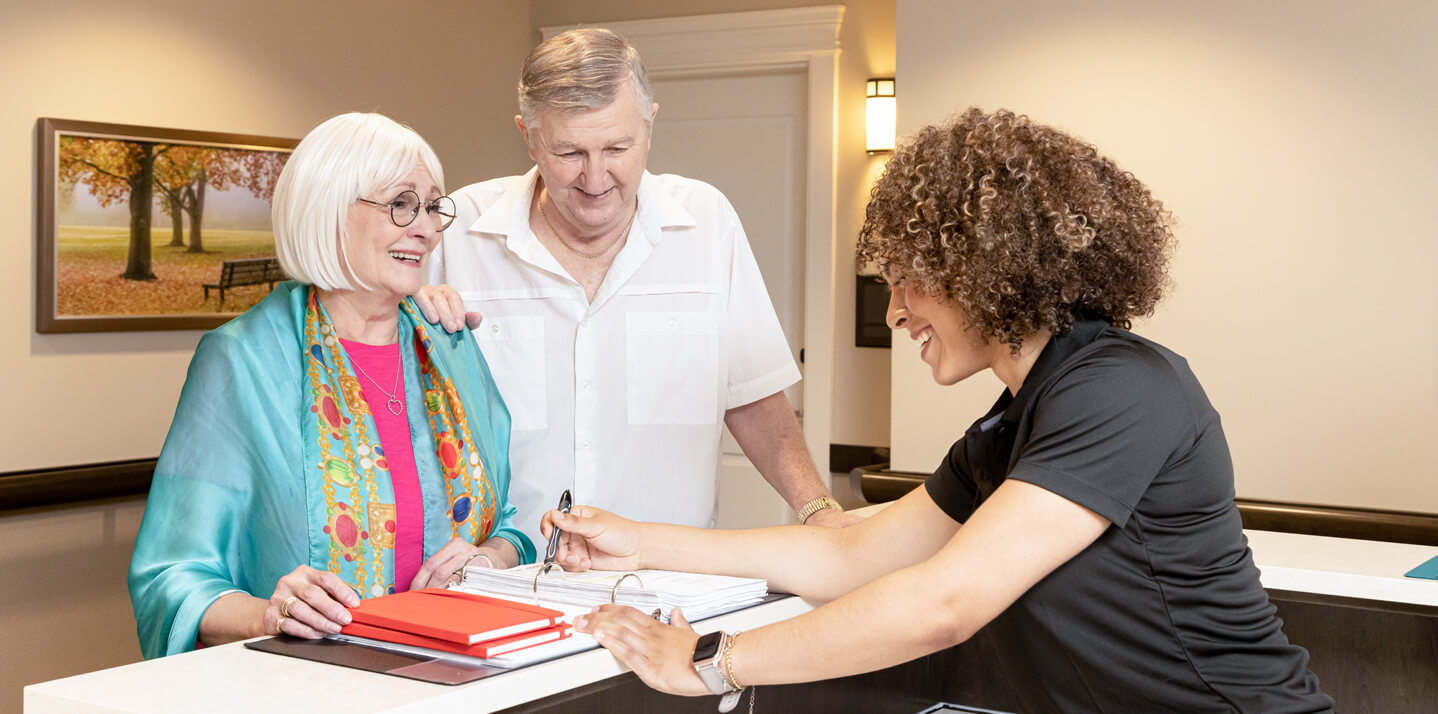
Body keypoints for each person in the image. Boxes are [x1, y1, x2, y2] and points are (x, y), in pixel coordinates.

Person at [542, 109, 1336, 713]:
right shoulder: (1010, 425)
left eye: (904, 279)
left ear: (980, 268)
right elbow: (849, 557)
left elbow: (943, 605)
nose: (892, 313)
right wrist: (637, 543)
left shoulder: (1122, 388)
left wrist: (713, 659)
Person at [416, 27, 856, 547]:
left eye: (617, 147)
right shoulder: (457, 230)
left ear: (650, 124)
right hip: (500, 581)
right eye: (569, 152)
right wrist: (399, 319)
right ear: (528, 136)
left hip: (663, 584)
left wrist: (819, 509)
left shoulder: (705, 222)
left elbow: (752, 395)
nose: (596, 177)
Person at [127, 113, 535, 660]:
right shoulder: (243, 359)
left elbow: (507, 526)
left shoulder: (449, 344)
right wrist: (270, 613)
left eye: (432, 206)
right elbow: (173, 578)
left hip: (462, 681)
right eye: (401, 205)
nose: (427, 229)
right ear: (327, 211)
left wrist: (490, 559)